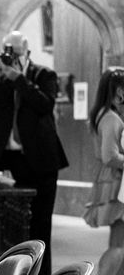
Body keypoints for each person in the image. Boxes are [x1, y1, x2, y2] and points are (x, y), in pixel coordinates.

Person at [0, 30, 68, 275]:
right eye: (7, 52)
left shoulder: (43, 74)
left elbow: (45, 105)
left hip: (41, 163)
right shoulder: (2, 80)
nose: (11, 58)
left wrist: (19, 79)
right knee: (10, 227)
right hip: (12, 162)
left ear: (26, 52)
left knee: (40, 226)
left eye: (15, 52)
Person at [83, 67, 124, 275]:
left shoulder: (104, 114)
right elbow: (110, 156)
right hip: (115, 185)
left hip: (110, 182)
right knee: (119, 243)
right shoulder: (111, 118)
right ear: (116, 91)